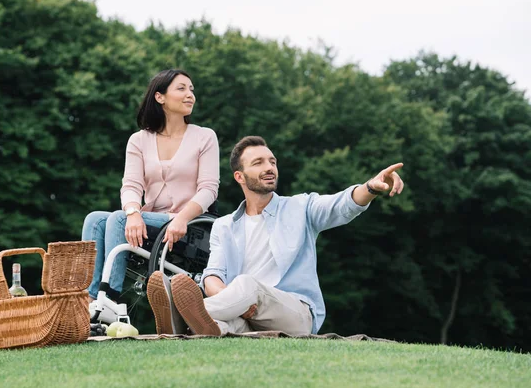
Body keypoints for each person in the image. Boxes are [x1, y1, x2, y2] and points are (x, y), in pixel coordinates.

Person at [147, 136, 404, 335]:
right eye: (258, 163)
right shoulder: (224, 225)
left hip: (295, 313)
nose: (269, 167)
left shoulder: (300, 208)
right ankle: (195, 325)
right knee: (221, 323)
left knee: (248, 285)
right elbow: (214, 275)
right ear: (240, 176)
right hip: (246, 314)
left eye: (272, 161)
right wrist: (235, 301)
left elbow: (341, 206)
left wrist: (370, 187)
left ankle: (176, 314)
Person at [82, 69, 220, 302]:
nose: (190, 95)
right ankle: (87, 298)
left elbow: (209, 188)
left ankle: (108, 300)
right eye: (182, 88)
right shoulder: (139, 140)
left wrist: (181, 219)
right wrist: (134, 212)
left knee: (118, 218)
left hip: (191, 224)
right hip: (151, 220)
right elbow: (131, 185)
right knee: (94, 219)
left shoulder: (204, 137)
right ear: (160, 97)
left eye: (192, 90)